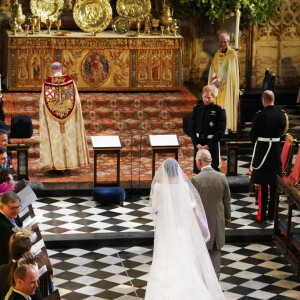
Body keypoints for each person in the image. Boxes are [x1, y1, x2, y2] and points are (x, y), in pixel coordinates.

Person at [145, 158, 225, 300]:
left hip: (166, 230)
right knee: (185, 258)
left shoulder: (158, 187)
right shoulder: (183, 186)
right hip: (182, 228)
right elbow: (192, 206)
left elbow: (155, 207)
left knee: (165, 259)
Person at [39, 62, 90, 171]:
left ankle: (55, 165)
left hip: (52, 118)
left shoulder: (48, 85)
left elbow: (43, 104)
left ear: (52, 71)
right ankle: (71, 163)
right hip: (69, 118)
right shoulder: (70, 83)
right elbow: (77, 102)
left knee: (55, 139)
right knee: (69, 137)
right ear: (62, 70)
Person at [191, 149, 231, 279]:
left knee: (200, 255)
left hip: (201, 224)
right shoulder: (221, 177)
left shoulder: (195, 180)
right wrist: (228, 217)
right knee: (215, 254)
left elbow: (192, 205)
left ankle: (202, 284)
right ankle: (215, 286)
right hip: (218, 222)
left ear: (199, 162)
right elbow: (227, 200)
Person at [250, 90, 288, 222]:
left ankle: (262, 215)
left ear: (263, 100)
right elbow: (283, 132)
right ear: (273, 99)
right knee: (274, 184)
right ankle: (273, 214)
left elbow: (253, 135)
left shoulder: (259, 115)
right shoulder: (281, 115)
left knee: (263, 183)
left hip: (262, 152)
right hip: (276, 151)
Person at [190, 85, 226, 173]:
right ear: (202, 95)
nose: (206, 99)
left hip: (212, 145)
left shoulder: (219, 111)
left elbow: (220, 131)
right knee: (198, 171)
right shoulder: (197, 109)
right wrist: (196, 143)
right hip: (199, 144)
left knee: (213, 170)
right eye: (205, 97)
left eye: (209, 97)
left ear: (213, 96)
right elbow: (192, 128)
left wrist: (208, 145)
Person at [208, 33, 239, 133]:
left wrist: (223, 81)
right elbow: (213, 68)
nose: (223, 44)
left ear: (229, 42)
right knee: (216, 106)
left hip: (227, 86)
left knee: (225, 106)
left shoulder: (232, 55)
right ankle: (216, 128)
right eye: (221, 42)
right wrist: (214, 80)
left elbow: (233, 73)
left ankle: (225, 129)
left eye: (225, 42)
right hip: (217, 85)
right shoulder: (217, 54)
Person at [0, 192, 23, 265]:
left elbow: (19, 223)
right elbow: (8, 251)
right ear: (2, 207)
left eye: (18, 207)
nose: (17, 211)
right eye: (13, 208)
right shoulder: (2, 227)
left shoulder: (11, 213)